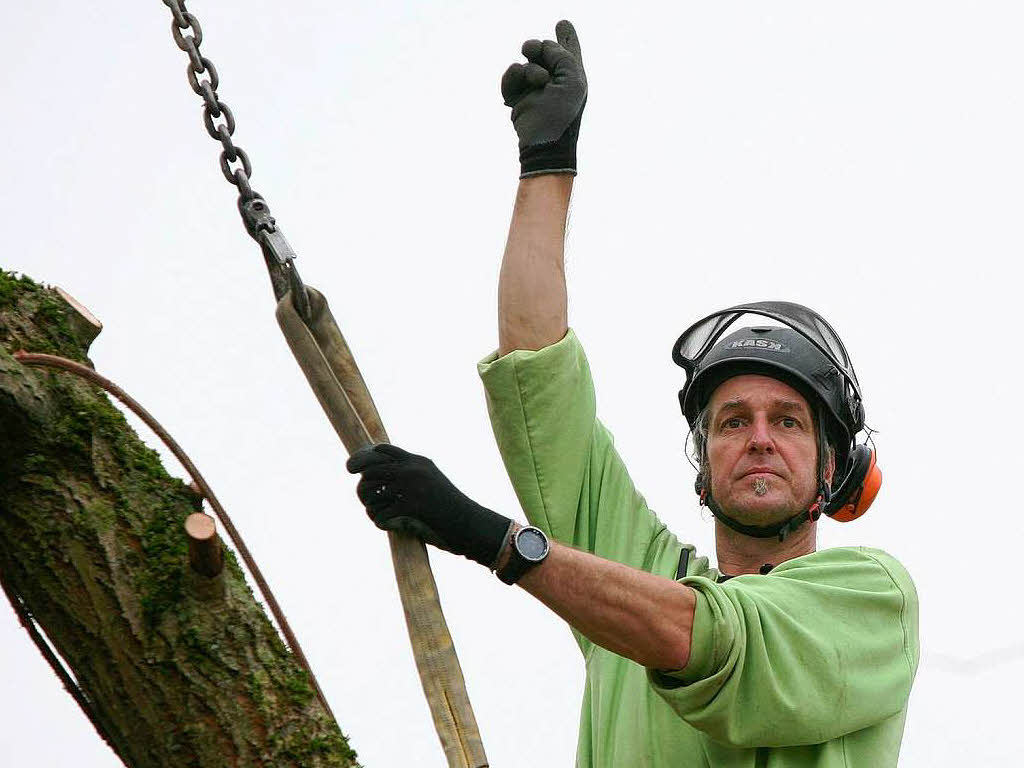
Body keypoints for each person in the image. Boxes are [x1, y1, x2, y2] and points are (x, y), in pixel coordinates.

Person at [347, 20, 919, 767]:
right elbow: (539, 383)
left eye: (789, 421)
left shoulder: (872, 599)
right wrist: (546, 164)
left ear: (836, 469)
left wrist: (496, 540)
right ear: (703, 458)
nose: (758, 437)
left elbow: (711, 638)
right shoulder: (636, 577)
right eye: (732, 421)